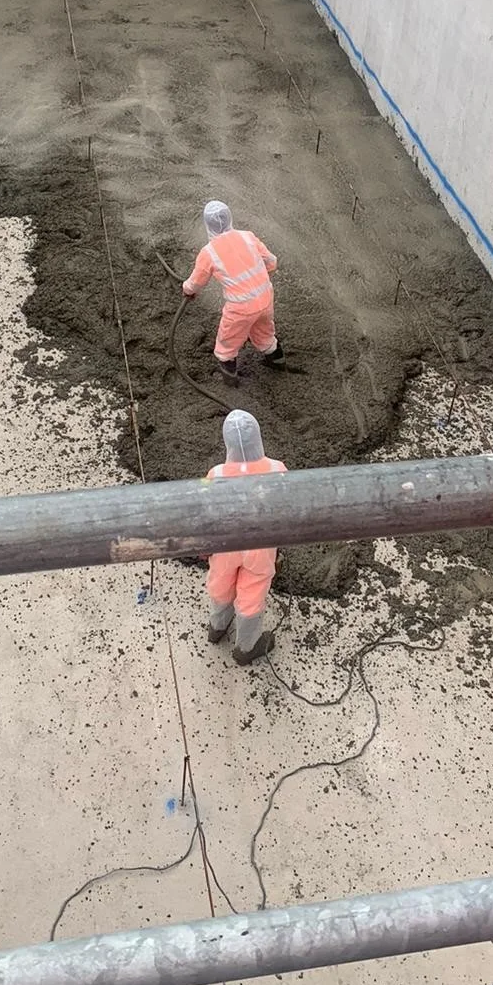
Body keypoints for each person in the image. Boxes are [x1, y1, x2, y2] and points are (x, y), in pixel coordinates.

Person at [204, 410, 285, 665]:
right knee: (252, 591)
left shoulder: (215, 474)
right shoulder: (277, 469)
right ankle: (246, 647)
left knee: (221, 582)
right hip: (260, 546)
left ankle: (218, 626)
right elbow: (286, 505)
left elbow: (204, 507)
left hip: (226, 544)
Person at [182, 201, 284, 379]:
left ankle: (230, 378)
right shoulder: (247, 236)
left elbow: (195, 283)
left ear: (207, 224)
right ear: (229, 217)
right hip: (266, 296)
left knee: (228, 341)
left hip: (240, 307)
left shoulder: (209, 253)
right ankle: (277, 360)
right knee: (265, 332)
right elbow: (271, 262)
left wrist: (187, 290)